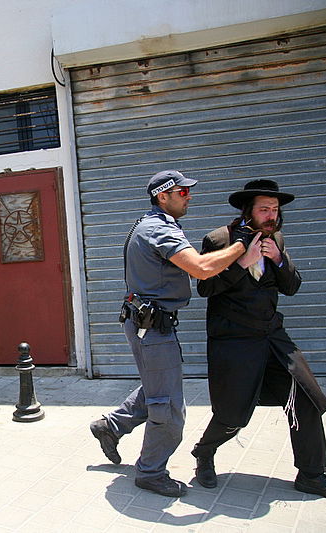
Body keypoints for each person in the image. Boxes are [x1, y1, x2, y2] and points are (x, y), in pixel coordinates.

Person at [89, 170, 261, 497]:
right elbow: (201, 268)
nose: (189, 196)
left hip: (145, 322)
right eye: (182, 192)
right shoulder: (158, 229)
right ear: (163, 196)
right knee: (167, 404)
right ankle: (151, 472)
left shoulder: (154, 223)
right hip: (151, 325)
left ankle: (111, 426)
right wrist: (241, 246)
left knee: (159, 387)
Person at [190, 179, 326, 504]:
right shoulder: (218, 239)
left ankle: (312, 475)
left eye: (275, 209)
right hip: (234, 342)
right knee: (232, 415)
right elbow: (205, 289)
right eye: (264, 209)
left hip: (272, 338)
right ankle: (204, 453)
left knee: (306, 399)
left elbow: (291, 286)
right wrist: (241, 263)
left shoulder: (276, 238)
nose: (271, 215)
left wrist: (279, 259)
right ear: (247, 210)